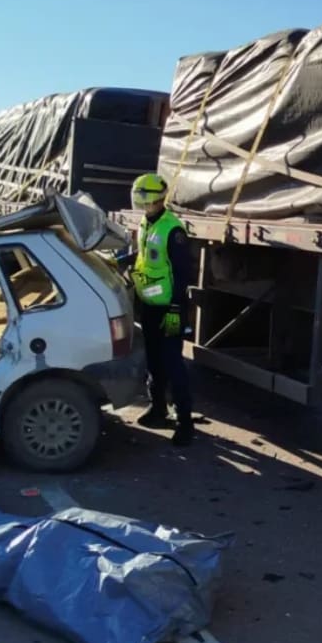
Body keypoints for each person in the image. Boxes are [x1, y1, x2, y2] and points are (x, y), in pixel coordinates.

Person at [123, 172, 194, 446]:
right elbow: (145, 257)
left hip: (169, 308)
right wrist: (123, 261)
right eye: (139, 201)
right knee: (153, 360)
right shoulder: (146, 223)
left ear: (159, 200)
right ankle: (158, 409)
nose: (143, 206)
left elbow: (183, 272)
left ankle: (185, 422)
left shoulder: (172, 229)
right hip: (150, 305)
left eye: (146, 201)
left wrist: (176, 308)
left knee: (173, 363)